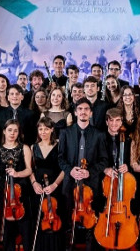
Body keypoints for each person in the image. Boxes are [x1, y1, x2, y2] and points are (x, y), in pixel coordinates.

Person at [57, 99, 108, 246]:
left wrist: (89, 172)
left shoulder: (99, 134)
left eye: (86, 109)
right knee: (68, 220)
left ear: (91, 113)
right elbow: (60, 158)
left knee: (91, 224)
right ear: (75, 112)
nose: (83, 112)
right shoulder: (65, 133)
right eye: (80, 109)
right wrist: (70, 170)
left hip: (91, 185)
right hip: (70, 183)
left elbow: (104, 160)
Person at [0, 120, 34, 251]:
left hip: (21, 192)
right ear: (4, 131)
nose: (12, 133)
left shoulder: (24, 148)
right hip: (3, 191)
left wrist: (17, 174)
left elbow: (29, 170)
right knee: (8, 231)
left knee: (26, 230)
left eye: (15, 131)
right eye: (9, 130)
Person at [30, 117, 65, 251]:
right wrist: (34, 183)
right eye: (40, 129)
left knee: (56, 219)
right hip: (38, 188)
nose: (43, 132)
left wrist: (55, 184)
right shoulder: (33, 147)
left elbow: (65, 169)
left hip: (55, 187)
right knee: (40, 218)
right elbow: (30, 169)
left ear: (52, 130)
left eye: (46, 129)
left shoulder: (60, 145)